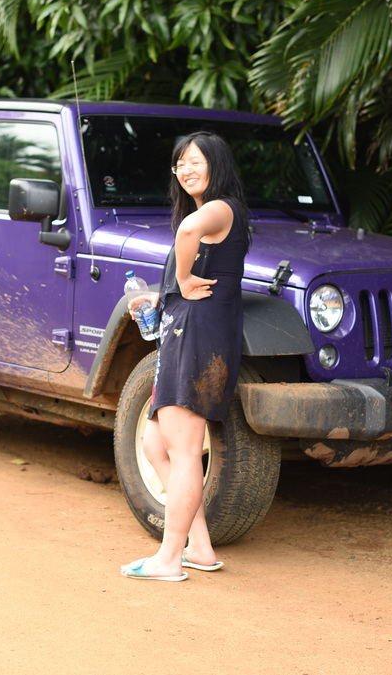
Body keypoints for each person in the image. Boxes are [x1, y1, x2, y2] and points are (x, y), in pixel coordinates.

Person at [120, 131, 250, 582]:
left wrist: (182, 276)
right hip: (184, 332)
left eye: (196, 161)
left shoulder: (222, 208)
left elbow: (188, 232)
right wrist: (164, 297)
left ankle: (169, 558)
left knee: (185, 451)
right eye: (180, 164)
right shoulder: (208, 212)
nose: (186, 170)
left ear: (217, 165)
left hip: (199, 338)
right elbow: (204, 271)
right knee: (156, 446)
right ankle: (200, 547)